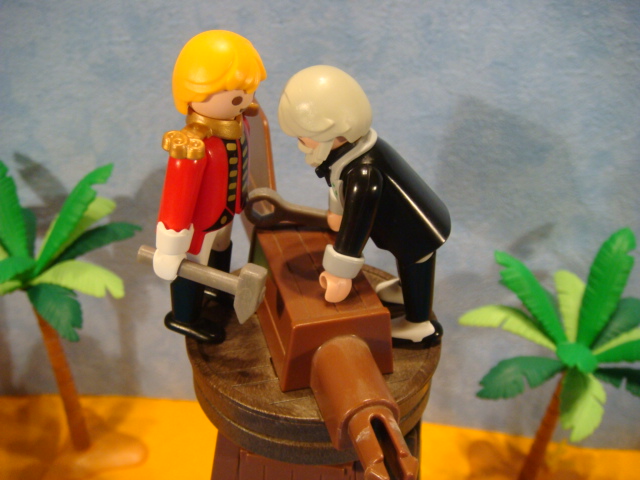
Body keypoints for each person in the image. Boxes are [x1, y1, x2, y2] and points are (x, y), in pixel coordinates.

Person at [277, 65, 450, 343]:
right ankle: (406, 289)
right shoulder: (354, 152)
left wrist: (339, 273)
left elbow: (357, 224)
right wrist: (336, 211)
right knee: (410, 263)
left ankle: (419, 325)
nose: (300, 143)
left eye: (302, 136)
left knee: (416, 262)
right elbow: (338, 185)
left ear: (333, 130)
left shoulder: (364, 172)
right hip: (406, 225)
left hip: (417, 228)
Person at [153, 31, 267, 342]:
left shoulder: (240, 124)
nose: (244, 100)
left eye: (248, 92)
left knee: (221, 247)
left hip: (227, 210)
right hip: (198, 224)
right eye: (235, 96)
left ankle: (215, 288)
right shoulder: (192, 146)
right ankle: (185, 316)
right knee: (192, 264)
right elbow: (177, 197)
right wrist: (170, 245)